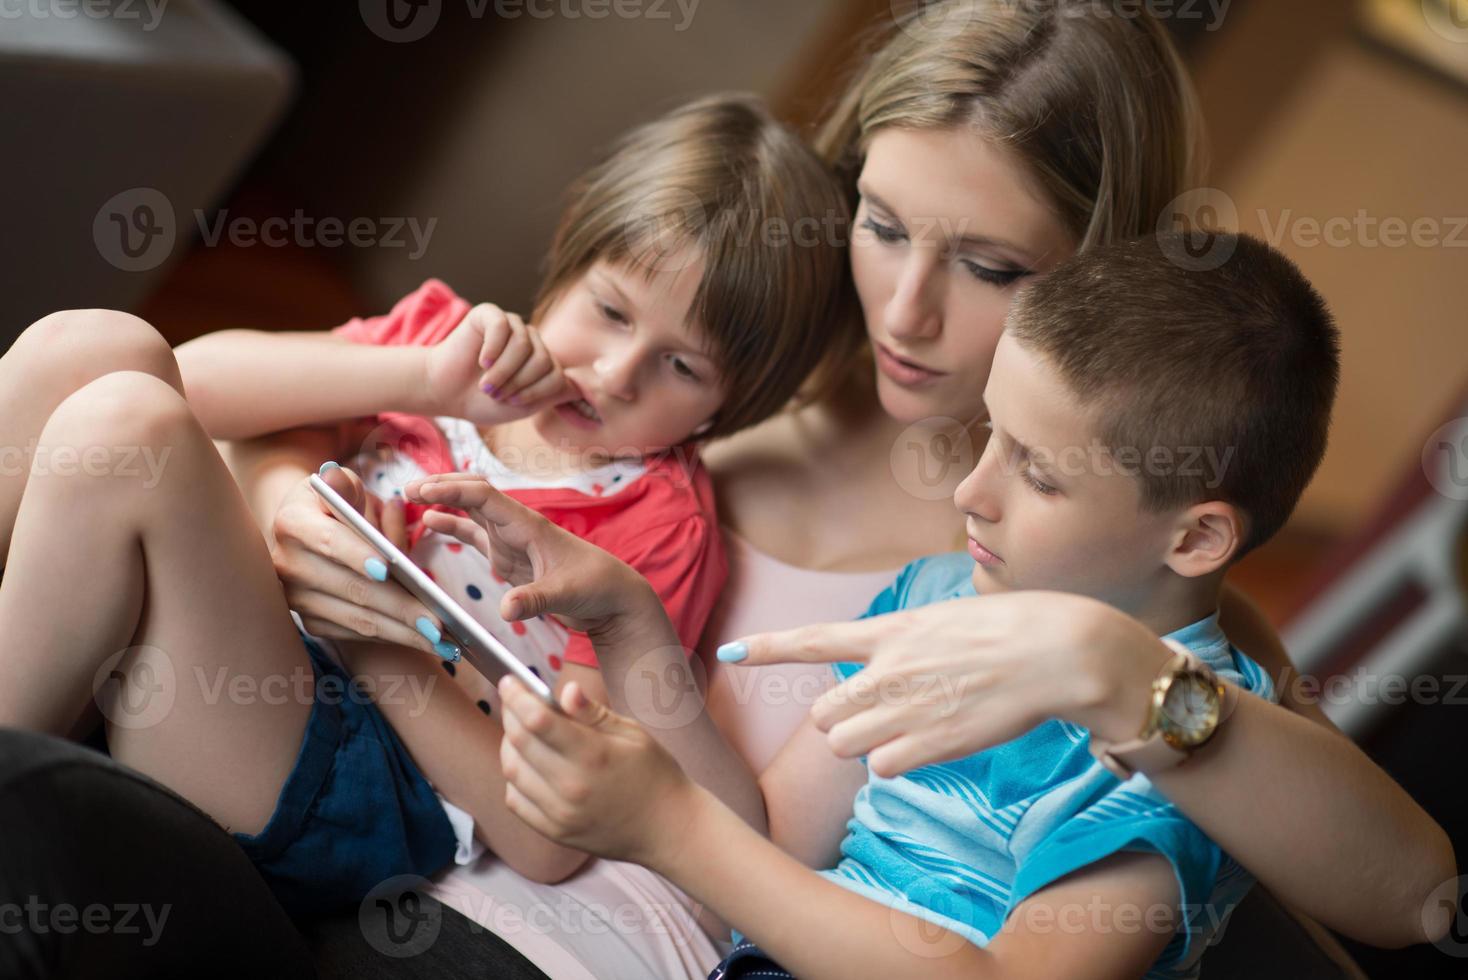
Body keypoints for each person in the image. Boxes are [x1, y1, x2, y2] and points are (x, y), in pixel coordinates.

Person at [240, 0, 1450, 964]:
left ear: (1099, 279)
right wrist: (283, 490)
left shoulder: (1091, 557)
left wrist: (1120, 670)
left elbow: (1407, 893)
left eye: (988, 264)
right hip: (369, 842)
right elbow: (348, 422)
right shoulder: (689, 404)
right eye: (880, 226)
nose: (907, 311)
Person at [0, 93, 847, 918]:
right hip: (223, 638)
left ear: (727, 411)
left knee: (128, 421)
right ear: (568, 251)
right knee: (92, 351)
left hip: (343, 767)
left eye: (683, 368)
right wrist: (421, 380)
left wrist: (373, 633)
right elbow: (193, 379)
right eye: (611, 311)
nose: (617, 373)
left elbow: (547, 836)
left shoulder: (658, 530)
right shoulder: (446, 338)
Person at [453, 230, 1338, 979]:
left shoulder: (1181, 762)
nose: (971, 493)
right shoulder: (937, 596)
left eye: (1038, 473)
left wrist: (671, 827)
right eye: (992, 435)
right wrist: (628, 621)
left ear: (1193, 540)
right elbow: (771, 846)